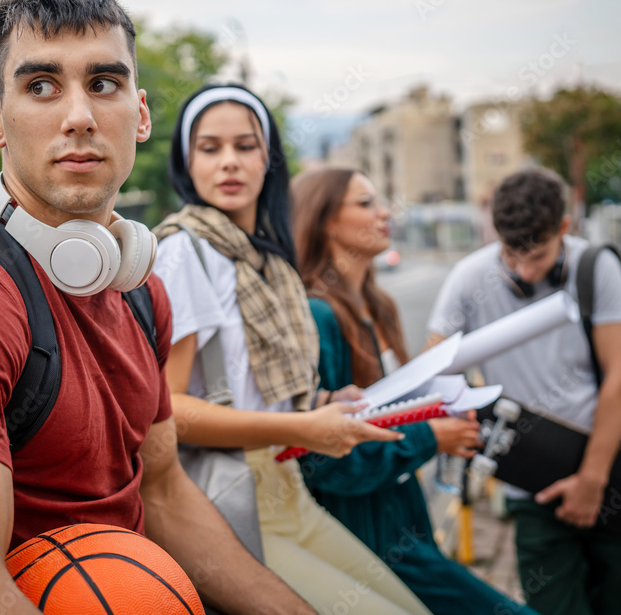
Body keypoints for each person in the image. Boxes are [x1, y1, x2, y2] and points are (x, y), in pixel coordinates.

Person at [0, 0, 315, 614]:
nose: (78, 117)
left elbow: (163, 492)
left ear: (142, 113)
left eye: (103, 84)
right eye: (41, 86)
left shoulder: (139, 291)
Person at [152, 84, 432, 615]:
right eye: (210, 149)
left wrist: (319, 403)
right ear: (188, 163)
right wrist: (300, 427)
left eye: (246, 146)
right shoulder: (183, 252)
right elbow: (170, 413)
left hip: (288, 491)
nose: (229, 163)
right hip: (228, 496)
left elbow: (260, 391)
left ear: (269, 158)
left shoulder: (270, 261)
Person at [290, 167, 538, 615]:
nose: (385, 213)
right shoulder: (318, 316)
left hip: (407, 519)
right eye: (366, 203)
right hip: (366, 539)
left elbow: (392, 410)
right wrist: (431, 437)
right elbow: (321, 458)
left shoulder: (378, 307)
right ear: (324, 218)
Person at [426, 168, 621, 615]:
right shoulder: (470, 277)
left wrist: (592, 480)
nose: (525, 270)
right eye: (513, 255)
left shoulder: (596, 267)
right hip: (529, 486)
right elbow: (434, 367)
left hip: (612, 472)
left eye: (540, 255)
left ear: (565, 228)